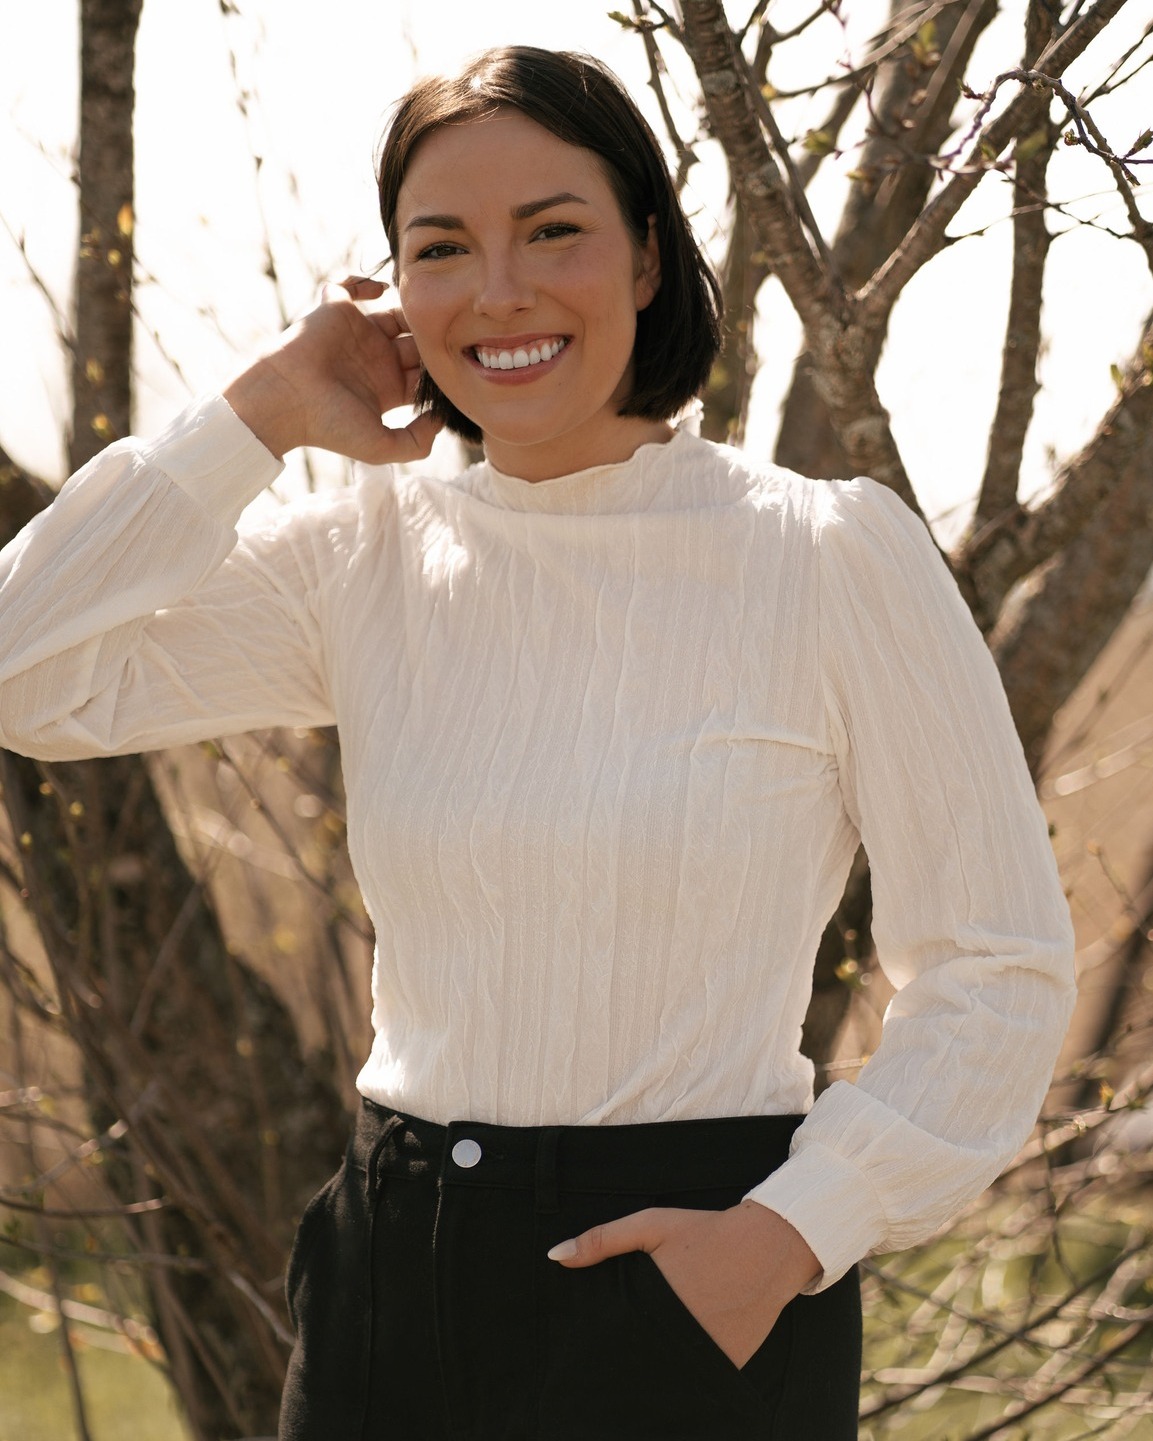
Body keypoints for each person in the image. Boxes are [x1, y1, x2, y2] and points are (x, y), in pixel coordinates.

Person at [0, 44, 1075, 1441]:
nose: (497, 292)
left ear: (647, 254)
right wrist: (260, 414)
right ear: (393, 291)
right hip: (396, 1277)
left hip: (705, 1273)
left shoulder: (825, 556)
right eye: (441, 248)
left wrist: (792, 1231)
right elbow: (25, 670)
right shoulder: (365, 556)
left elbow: (995, 961)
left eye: (553, 230)